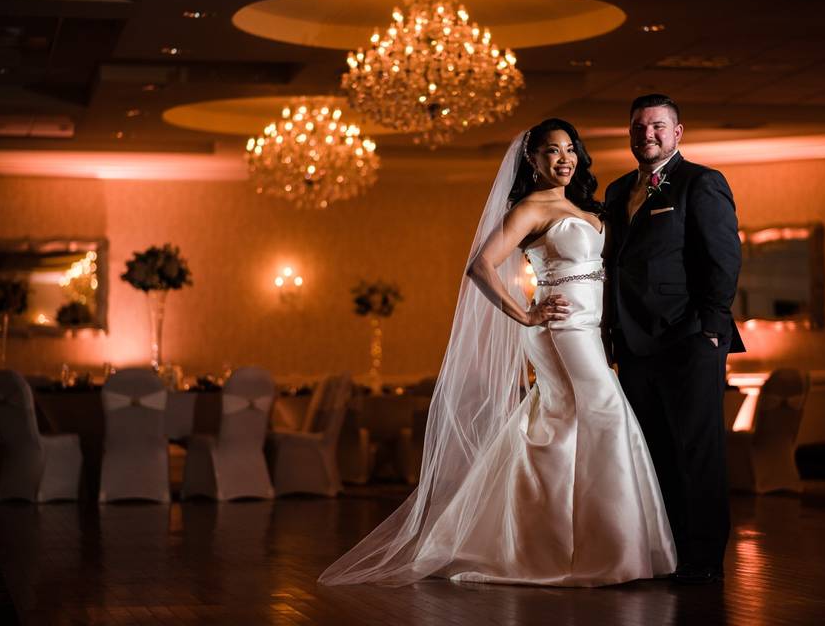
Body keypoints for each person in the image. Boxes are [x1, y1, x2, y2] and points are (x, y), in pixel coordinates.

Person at [319, 119, 676, 587]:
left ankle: (553, 542)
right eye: (550, 151)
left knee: (565, 429)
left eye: (570, 149)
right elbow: (481, 266)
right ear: (532, 160)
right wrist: (525, 315)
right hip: (559, 329)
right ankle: (606, 552)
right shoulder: (530, 207)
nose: (563, 159)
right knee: (605, 415)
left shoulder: (580, 205)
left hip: (589, 329)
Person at [602, 94, 745, 584]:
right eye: (639, 127)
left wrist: (710, 328)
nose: (648, 135)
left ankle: (703, 559)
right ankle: (668, 552)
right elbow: (614, 264)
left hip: (689, 341)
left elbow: (723, 260)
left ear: (678, 132)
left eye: (658, 126)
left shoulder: (701, 183)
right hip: (635, 346)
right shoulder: (618, 189)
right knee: (654, 451)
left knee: (697, 452)